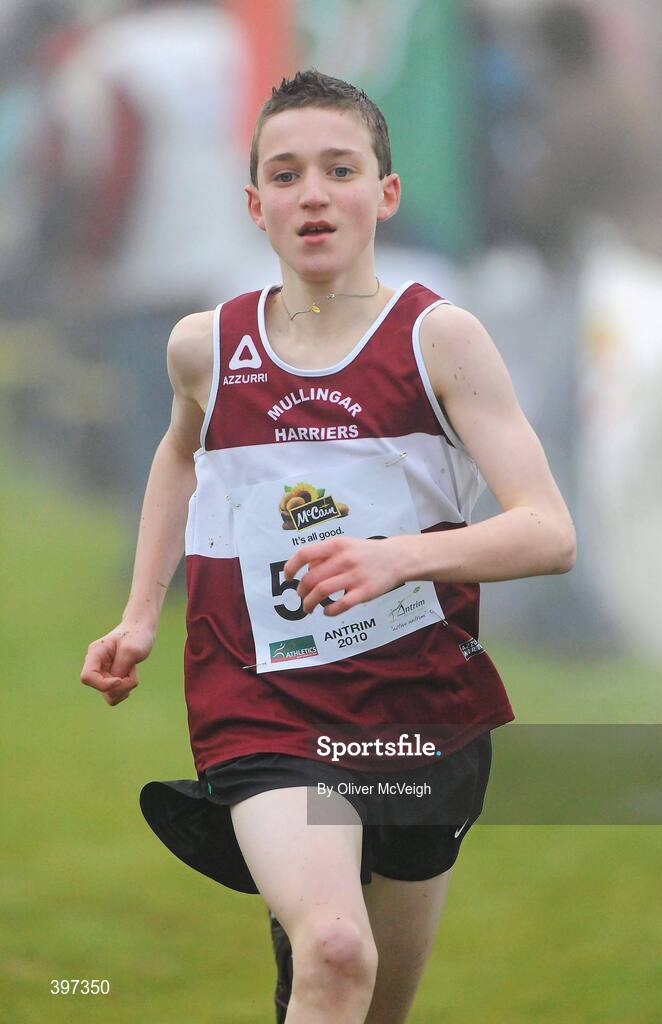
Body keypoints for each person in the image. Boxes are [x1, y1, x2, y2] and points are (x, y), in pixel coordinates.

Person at [80, 69, 576, 1024]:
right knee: (336, 951)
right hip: (260, 698)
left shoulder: (441, 340)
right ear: (255, 203)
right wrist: (142, 612)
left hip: (416, 709)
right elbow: (180, 456)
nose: (312, 193)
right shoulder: (204, 345)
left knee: (364, 1003)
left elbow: (547, 532)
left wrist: (395, 557)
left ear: (383, 194)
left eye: (339, 169)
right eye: (286, 172)